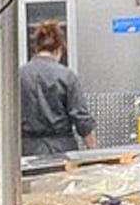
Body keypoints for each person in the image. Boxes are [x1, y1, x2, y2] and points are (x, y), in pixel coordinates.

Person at [21, 20, 91, 157]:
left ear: (36, 48)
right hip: (63, 149)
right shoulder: (67, 76)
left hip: (28, 149)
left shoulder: (19, 76)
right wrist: (94, 151)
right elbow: (81, 118)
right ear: (59, 49)